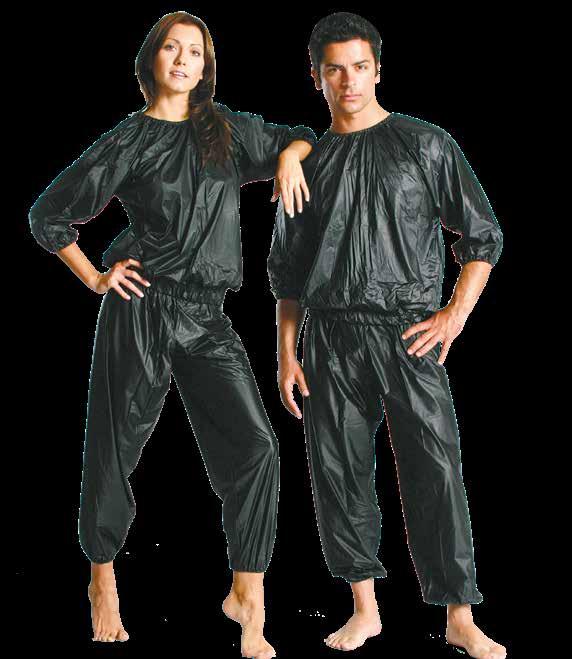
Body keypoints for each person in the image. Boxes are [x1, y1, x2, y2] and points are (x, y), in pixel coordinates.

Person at [28, 11, 316, 657]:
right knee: (115, 446)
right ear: (151, 60)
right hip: (143, 307)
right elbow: (49, 214)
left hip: (208, 316)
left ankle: (247, 595)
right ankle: (102, 580)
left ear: (206, 67)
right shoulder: (130, 139)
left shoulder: (226, 131)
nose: (184, 60)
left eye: (195, 52)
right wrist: (96, 277)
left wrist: (290, 160)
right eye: (172, 49)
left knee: (257, 447)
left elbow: (301, 136)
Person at [268, 12, 506, 659]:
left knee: (436, 465)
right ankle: (365, 607)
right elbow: (287, 274)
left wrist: (454, 313)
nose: (349, 80)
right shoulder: (307, 164)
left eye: (360, 67)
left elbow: (482, 236)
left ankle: (459, 613)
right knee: (340, 469)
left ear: (378, 69)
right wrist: (286, 353)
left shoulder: (426, 144)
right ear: (317, 78)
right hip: (330, 336)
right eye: (334, 70)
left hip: (408, 332)